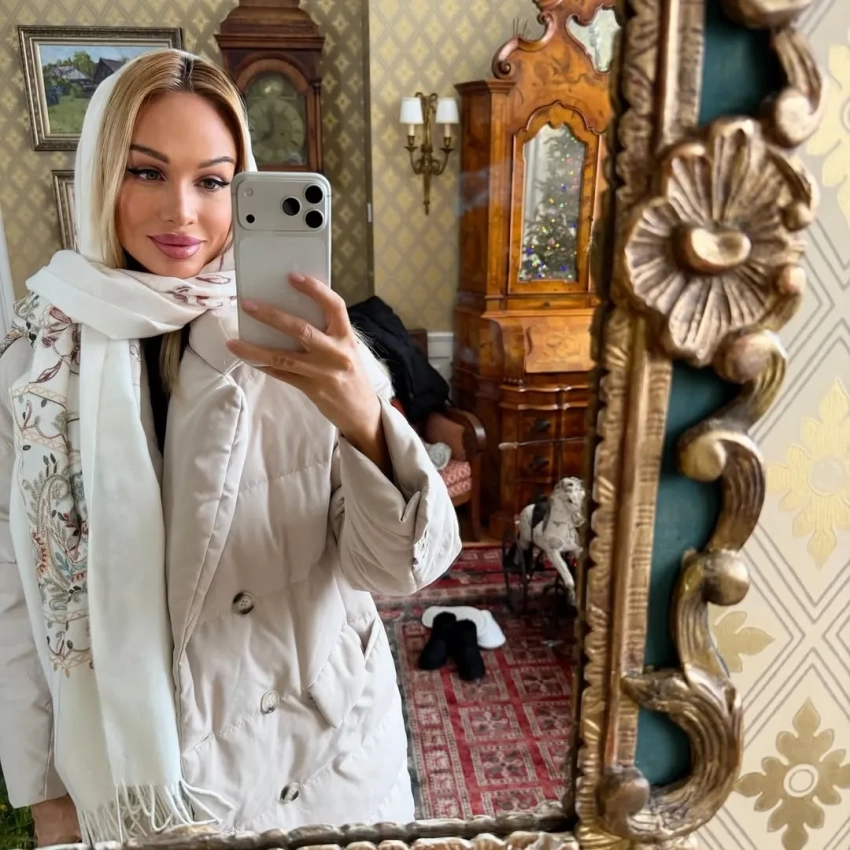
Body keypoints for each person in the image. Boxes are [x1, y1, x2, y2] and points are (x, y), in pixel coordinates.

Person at [0, 50, 461, 846]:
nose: (181, 212)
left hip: (318, 763)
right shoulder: (33, 363)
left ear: (242, 188)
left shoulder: (307, 344)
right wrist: (45, 790)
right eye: (146, 172)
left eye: (213, 181)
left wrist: (363, 417)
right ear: (100, 172)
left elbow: (398, 571)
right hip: (135, 777)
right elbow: (15, 591)